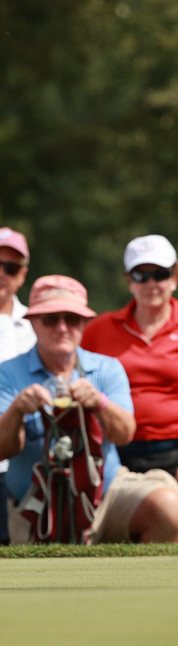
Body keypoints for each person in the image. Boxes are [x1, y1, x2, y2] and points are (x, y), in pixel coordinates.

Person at [0, 275, 178, 543]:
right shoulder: (7, 373)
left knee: (167, 507)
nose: (62, 328)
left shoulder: (107, 367)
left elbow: (125, 434)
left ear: (85, 323)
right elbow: (3, 450)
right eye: (51, 318)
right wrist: (17, 410)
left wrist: (100, 402)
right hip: (36, 505)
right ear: (32, 322)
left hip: (106, 495)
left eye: (72, 319)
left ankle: (147, 584)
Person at [82, 235, 178, 541]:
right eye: (142, 275)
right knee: (112, 547)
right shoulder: (100, 329)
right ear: (129, 280)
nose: (151, 283)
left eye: (161, 274)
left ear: (174, 279)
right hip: (114, 453)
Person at [0, 228, 37, 544]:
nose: (2, 273)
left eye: (10, 267)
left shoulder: (40, 323)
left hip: (19, 462)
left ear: (22, 274)